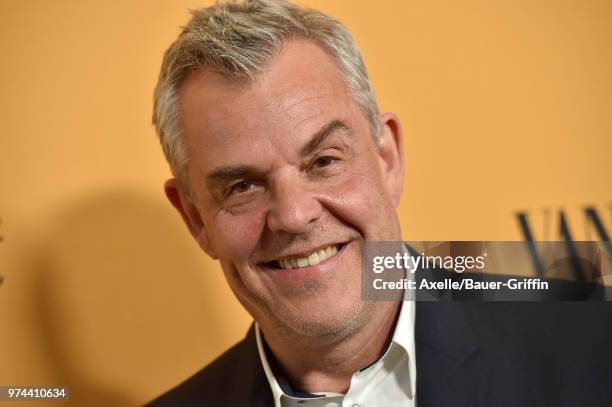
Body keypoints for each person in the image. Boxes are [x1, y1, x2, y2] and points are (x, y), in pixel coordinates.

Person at [146, 1, 612, 406]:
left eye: (324, 160)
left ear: (387, 158)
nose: (294, 214)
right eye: (243, 186)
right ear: (194, 219)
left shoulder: (593, 348)